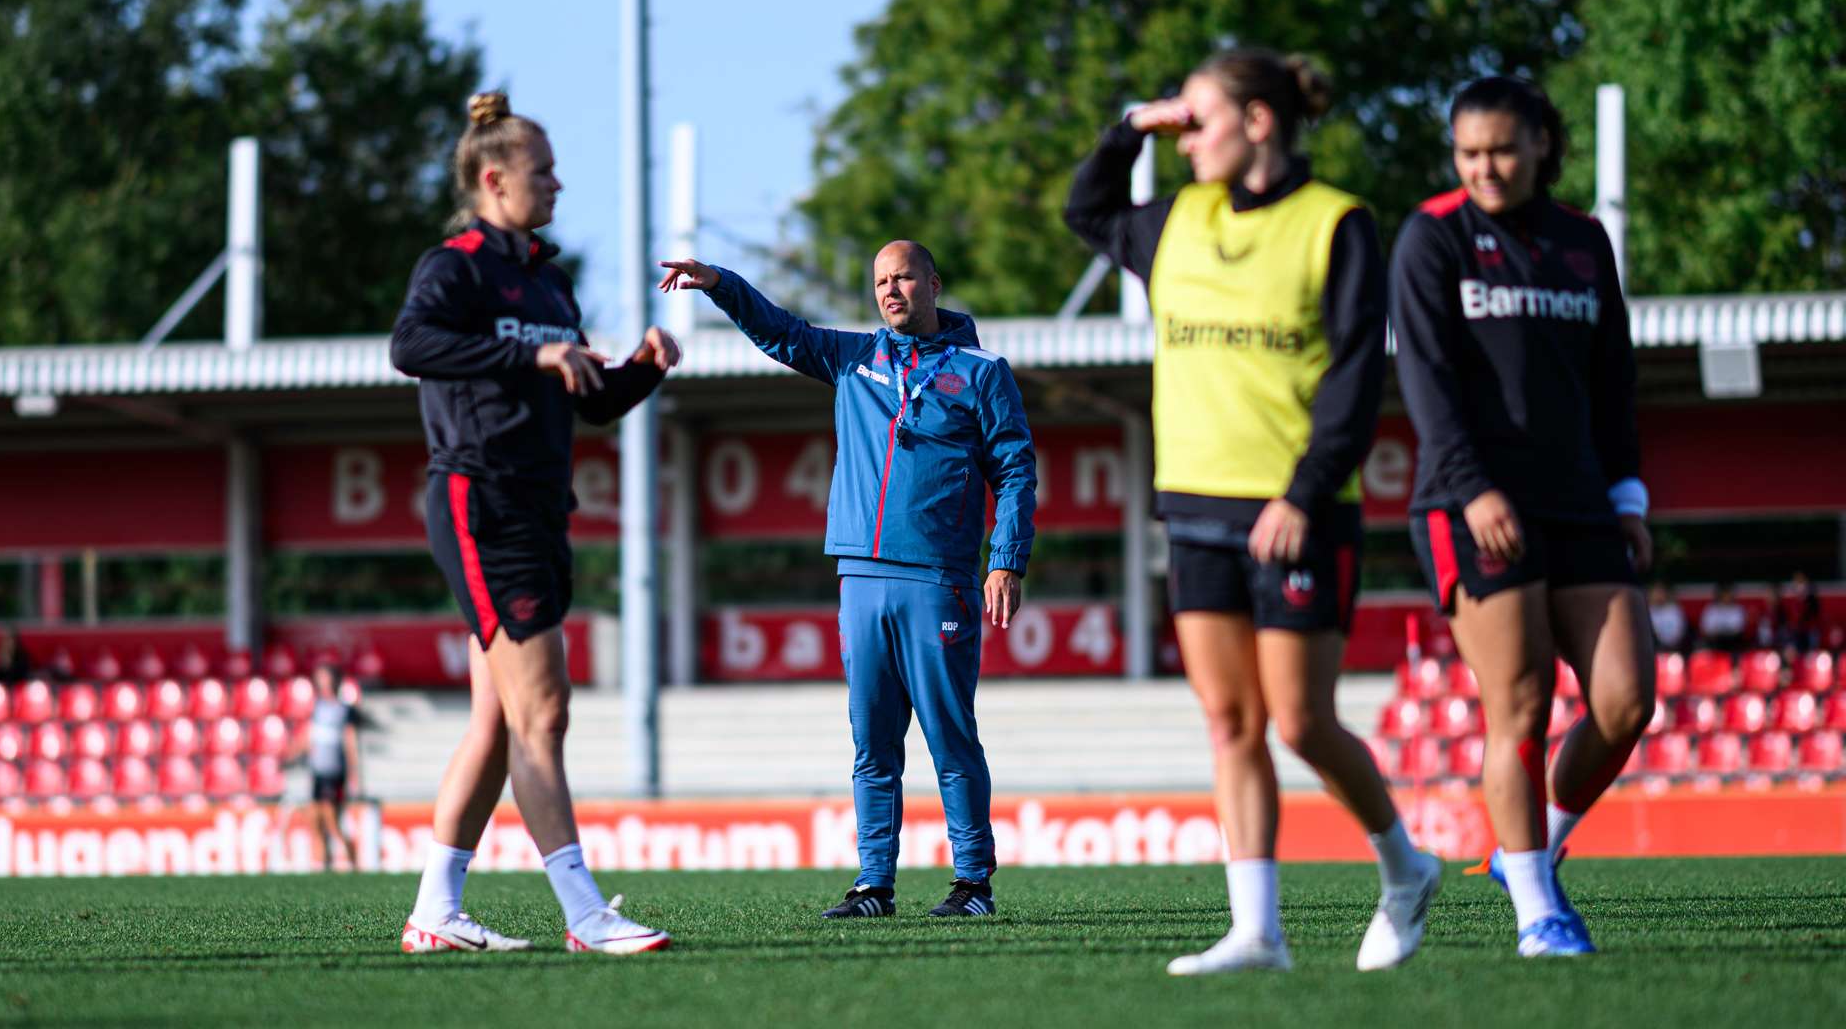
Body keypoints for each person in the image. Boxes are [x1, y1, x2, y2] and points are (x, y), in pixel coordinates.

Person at [1065, 48, 1440, 975]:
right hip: (1193, 505)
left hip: (1296, 513)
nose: (1187, 139)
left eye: (1201, 120)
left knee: (1302, 721)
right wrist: (1129, 131)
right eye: (1180, 123)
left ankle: (1405, 866)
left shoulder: (1336, 223)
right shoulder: (1179, 219)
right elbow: (1087, 210)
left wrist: (1305, 492)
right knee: (1229, 722)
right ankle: (1256, 932)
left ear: (1260, 121)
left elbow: (1358, 372)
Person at [657, 241, 1036, 920]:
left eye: (904, 278)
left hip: (939, 578)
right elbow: (780, 331)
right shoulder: (853, 358)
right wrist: (719, 282)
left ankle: (973, 882)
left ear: (933, 282)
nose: (891, 291)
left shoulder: (983, 372)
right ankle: (873, 885)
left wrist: (1005, 557)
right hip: (859, 576)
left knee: (950, 737)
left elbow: (1014, 470)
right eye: (881, 281)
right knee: (872, 743)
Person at [390, 91, 680, 956]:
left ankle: (436, 911)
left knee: (497, 720)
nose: (557, 184)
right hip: (482, 501)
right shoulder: (455, 268)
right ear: (494, 179)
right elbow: (410, 347)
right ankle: (585, 914)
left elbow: (587, 403)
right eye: (542, 171)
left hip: (540, 503)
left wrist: (640, 369)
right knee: (542, 715)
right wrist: (529, 353)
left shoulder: (548, 281)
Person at [1390, 76, 1656, 958]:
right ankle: (1539, 907)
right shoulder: (1432, 237)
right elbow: (1426, 385)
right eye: (1469, 153)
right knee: (1522, 704)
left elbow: (1614, 381)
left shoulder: (1584, 242)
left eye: (1502, 149)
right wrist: (1474, 488)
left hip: (1581, 502)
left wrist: (1628, 496)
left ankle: (1530, 845)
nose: (1485, 168)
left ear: (1542, 143)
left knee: (1625, 700)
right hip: (1472, 505)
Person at [291, 660, 365, 871]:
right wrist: (292, 754)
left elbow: (349, 742)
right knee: (316, 822)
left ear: (336, 680)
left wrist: (353, 774)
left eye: (326, 677)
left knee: (332, 822)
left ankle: (354, 865)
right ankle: (323, 868)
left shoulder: (344, 709)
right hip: (317, 771)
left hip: (335, 772)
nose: (322, 682)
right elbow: (308, 737)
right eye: (319, 677)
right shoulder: (316, 707)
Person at [1698, 583, 1748, 653]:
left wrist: (1723, 631)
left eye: (1728, 594)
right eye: (1724, 594)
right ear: (1719, 594)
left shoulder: (1738, 609)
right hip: (1714, 643)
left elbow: (1738, 629)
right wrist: (1719, 632)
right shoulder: (1711, 609)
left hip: (1733, 643)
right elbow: (1706, 629)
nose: (1726, 596)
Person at [1648, 581, 1690, 652]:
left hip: (1673, 648)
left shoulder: (1674, 610)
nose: (1658, 596)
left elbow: (1679, 632)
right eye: (1656, 593)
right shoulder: (1647, 610)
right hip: (1653, 649)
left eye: (1661, 593)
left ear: (1666, 594)